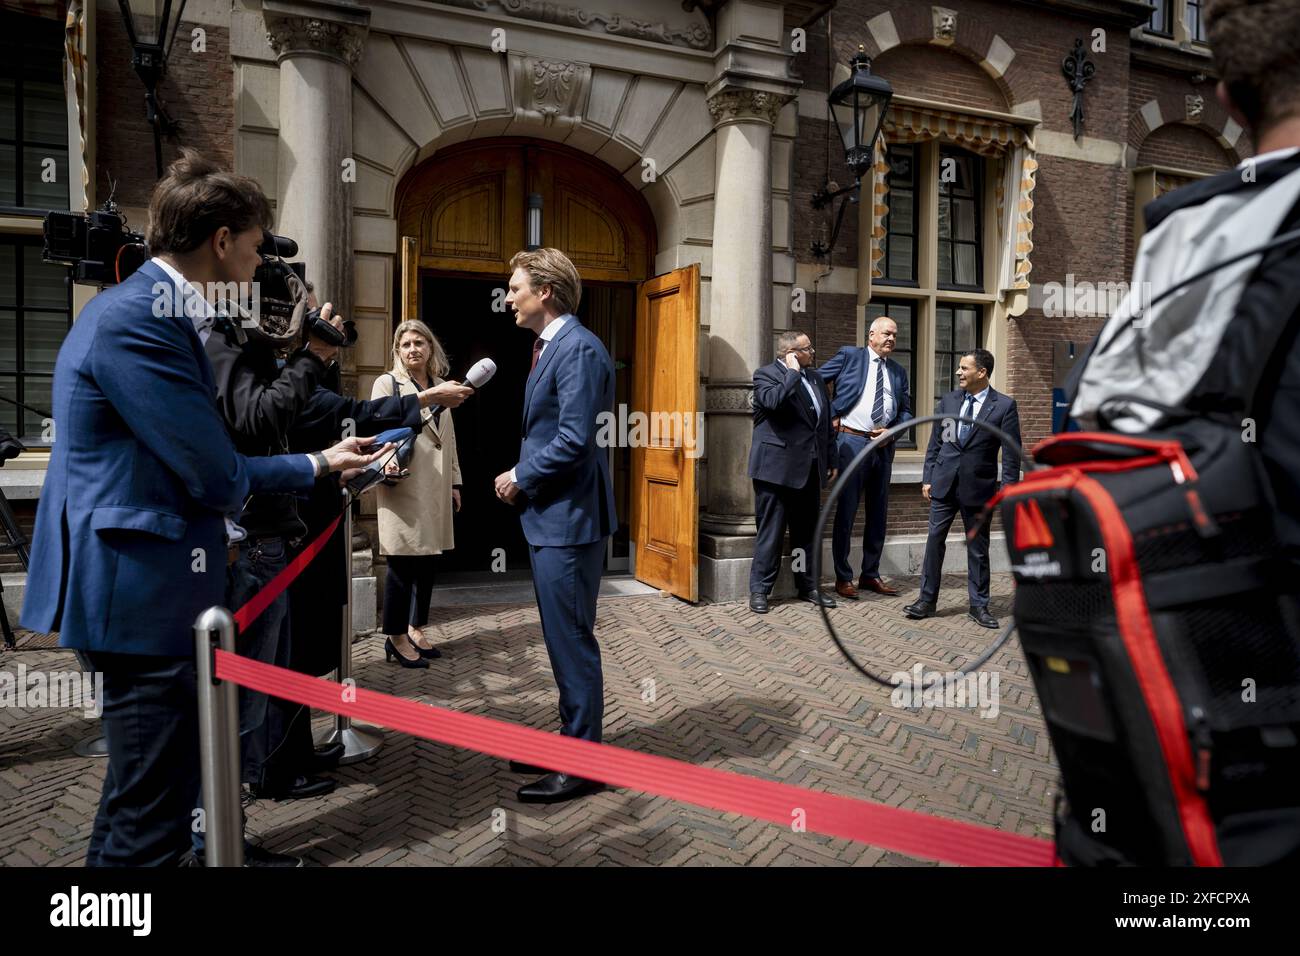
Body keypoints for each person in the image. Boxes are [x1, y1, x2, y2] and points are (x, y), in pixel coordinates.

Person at [19, 149, 387, 867]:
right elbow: (215, 474)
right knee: (146, 824)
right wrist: (316, 463)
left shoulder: (153, 313)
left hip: (146, 588)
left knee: (143, 802)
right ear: (221, 239)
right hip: (138, 595)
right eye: (255, 245)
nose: (263, 262)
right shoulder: (140, 321)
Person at [493, 247, 614, 804]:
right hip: (552, 519)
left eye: (516, 287)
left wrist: (521, 474)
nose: (508, 296)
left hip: (569, 520)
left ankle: (582, 764)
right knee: (561, 637)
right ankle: (570, 741)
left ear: (545, 291)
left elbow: (573, 439)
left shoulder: (579, 349)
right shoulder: (549, 347)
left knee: (571, 641)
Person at [904, 349, 1021, 628]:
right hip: (943, 484)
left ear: (982, 372)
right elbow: (937, 442)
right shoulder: (950, 400)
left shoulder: (1004, 406)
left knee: (978, 549)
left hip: (979, 489)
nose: (958, 373)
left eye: (964, 368)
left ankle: (979, 605)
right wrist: (928, 477)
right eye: (958, 368)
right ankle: (926, 601)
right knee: (934, 542)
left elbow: (1012, 454)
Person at [372, 320, 463, 668]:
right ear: (397, 350)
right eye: (405, 344)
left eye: (419, 342)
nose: (413, 349)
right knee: (401, 560)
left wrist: (455, 482)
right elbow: (377, 425)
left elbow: (449, 440)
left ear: (430, 348)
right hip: (404, 482)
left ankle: (416, 627)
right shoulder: (388, 383)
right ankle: (395, 637)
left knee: (428, 559)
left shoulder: (442, 385)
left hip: (436, 484)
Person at [818, 315, 913, 600]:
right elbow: (816, 381)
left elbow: (907, 410)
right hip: (850, 443)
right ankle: (843, 577)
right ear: (870, 335)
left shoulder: (898, 371)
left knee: (878, 513)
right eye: (886, 334)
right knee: (846, 511)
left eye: (895, 335)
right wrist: (832, 415)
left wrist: (892, 432)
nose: (891, 339)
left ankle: (870, 574)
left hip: (883, 448)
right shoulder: (850, 356)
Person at [747, 330, 838, 614]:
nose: (813, 352)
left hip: (809, 469)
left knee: (805, 534)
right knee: (771, 533)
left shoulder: (816, 378)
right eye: (808, 348)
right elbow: (772, 402)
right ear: (791, 353)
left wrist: (831, 459)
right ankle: (760, 590)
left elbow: (824, 423)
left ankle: (807, 585)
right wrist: (791, 374)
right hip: (775, 470)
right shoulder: (766, 375)